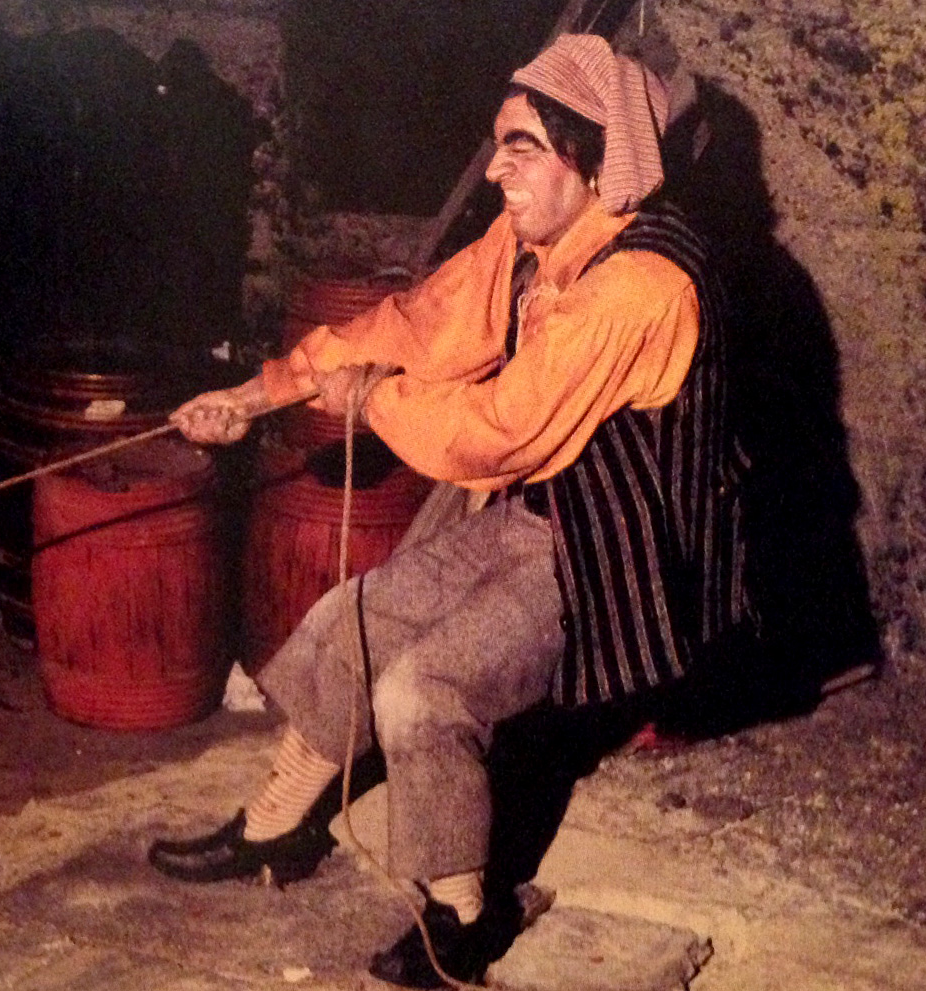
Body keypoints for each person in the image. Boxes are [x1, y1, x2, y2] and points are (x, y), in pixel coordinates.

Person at [155, 32, 754, 989]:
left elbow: (500, 429)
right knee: (349, 618)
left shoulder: (641, 284)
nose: (498, 169)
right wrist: (257, 395)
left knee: (422, 693)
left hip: (620, 552)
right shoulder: (527, 244)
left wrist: (374, 403)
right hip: (538, 515)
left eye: (523, 147)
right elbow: (412, 326)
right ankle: (276, 826)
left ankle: (464, 915)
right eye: (499, 143)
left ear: (593, 160)